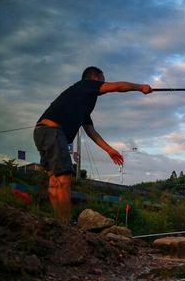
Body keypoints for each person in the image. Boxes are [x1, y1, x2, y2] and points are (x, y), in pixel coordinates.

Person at [33, 66, 151, 222]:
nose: (103, 84)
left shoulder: (83, 103)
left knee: (54, 179)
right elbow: (116, 86)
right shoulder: (85, 84)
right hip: (52, 132)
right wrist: (140, 87)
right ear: (95, 78)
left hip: (43, 132)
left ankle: (58, 221)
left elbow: (91, 131)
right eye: (102, 80)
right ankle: (64, 223)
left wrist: (110, 150)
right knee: (63, 177)